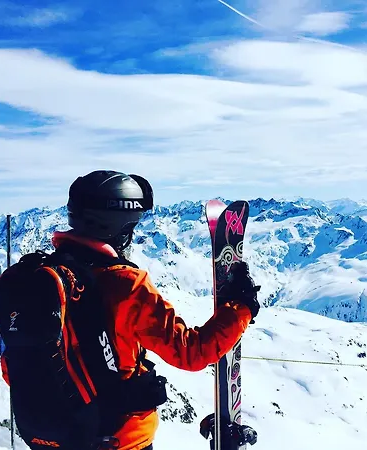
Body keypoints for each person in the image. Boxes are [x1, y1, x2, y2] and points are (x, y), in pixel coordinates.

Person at [50, 170, 260, 450]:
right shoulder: (124, 285)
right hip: (119, 439)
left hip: (53, 438)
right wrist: (241, 308)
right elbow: (192, 352)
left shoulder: (40, 279)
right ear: (119, 227)